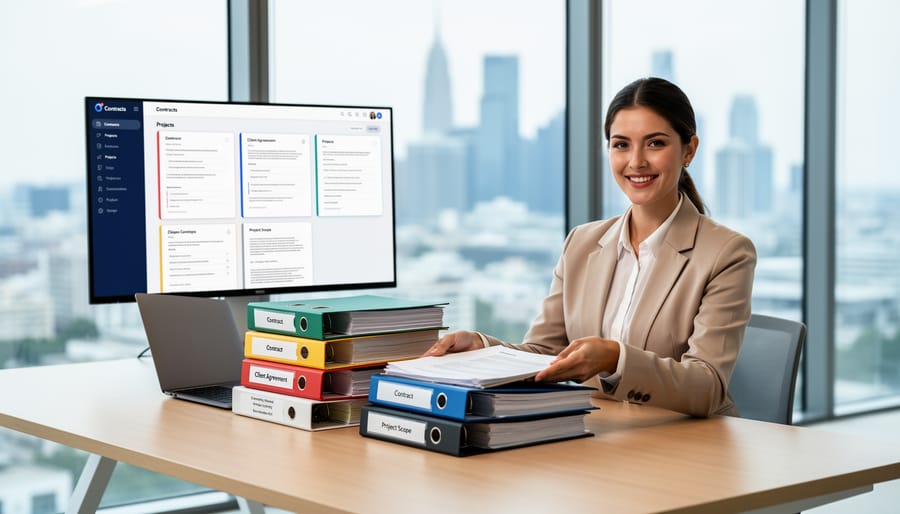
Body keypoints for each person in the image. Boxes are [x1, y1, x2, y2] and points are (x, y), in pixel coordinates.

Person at [425, 77, 756, 418]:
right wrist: (482, 346)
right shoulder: (581, 244)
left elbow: (707, 386)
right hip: (599, 435)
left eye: (655, 144)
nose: (636, 161)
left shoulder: (726, 253)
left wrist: (616, 358)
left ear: (689, 150)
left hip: (689, 444)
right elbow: (545, 351)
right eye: (621, 144)